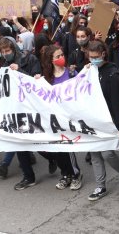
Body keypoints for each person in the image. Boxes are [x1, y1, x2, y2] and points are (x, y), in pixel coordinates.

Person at [0, 36, 43, 182]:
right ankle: (22, 172)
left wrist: (19, 71)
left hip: (29, 105)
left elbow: (35, 81)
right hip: (15, 106)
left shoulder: (29, 59)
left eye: (8, 50)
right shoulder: (4, 63)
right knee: (17, 138)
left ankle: (52, 158)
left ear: (14, 48)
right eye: (3, 51)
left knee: (35, 139)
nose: (6, 53)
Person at [85, 40, 119, 201]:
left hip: (108, 120)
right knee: (95, 153)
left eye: (96, 56)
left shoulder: (112, 74)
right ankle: (100, 186)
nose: (93, 59)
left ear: (103, 54)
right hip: (93, 120)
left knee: (107, 153)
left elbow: (117, 103)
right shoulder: (89, 71)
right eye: (90, 57)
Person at [37, 45, 84, 191]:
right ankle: (65, 175)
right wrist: (37, 81)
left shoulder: (70, 73)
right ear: (51, 60)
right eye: (57, 56)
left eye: (62, 55)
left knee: (67, 148)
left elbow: (81, 88)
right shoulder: (46, 78)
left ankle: (75, 175)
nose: (61, 58)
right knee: (56, 149)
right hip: (53, 119)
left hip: (68, 117)